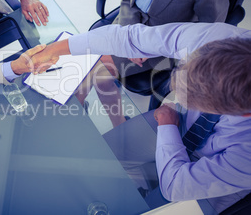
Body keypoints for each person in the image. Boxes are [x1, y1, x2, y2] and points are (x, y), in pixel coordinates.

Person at [30, 22, 251, 212]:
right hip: (175, 122)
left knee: (132, 210)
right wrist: (56, 49)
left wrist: (166, 125)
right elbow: (128, 36)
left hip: (215, 179)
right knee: (98, 156)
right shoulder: (221, 40)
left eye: (194, 103)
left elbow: (175, 186)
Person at [100, 0, 230, 108]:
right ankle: (117, 120)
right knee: (88, 64)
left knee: (97, 72)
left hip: (162, 44)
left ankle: (117, 123)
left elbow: (208, 32)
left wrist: (149, 46)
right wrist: (130, 35)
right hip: (129, 23)